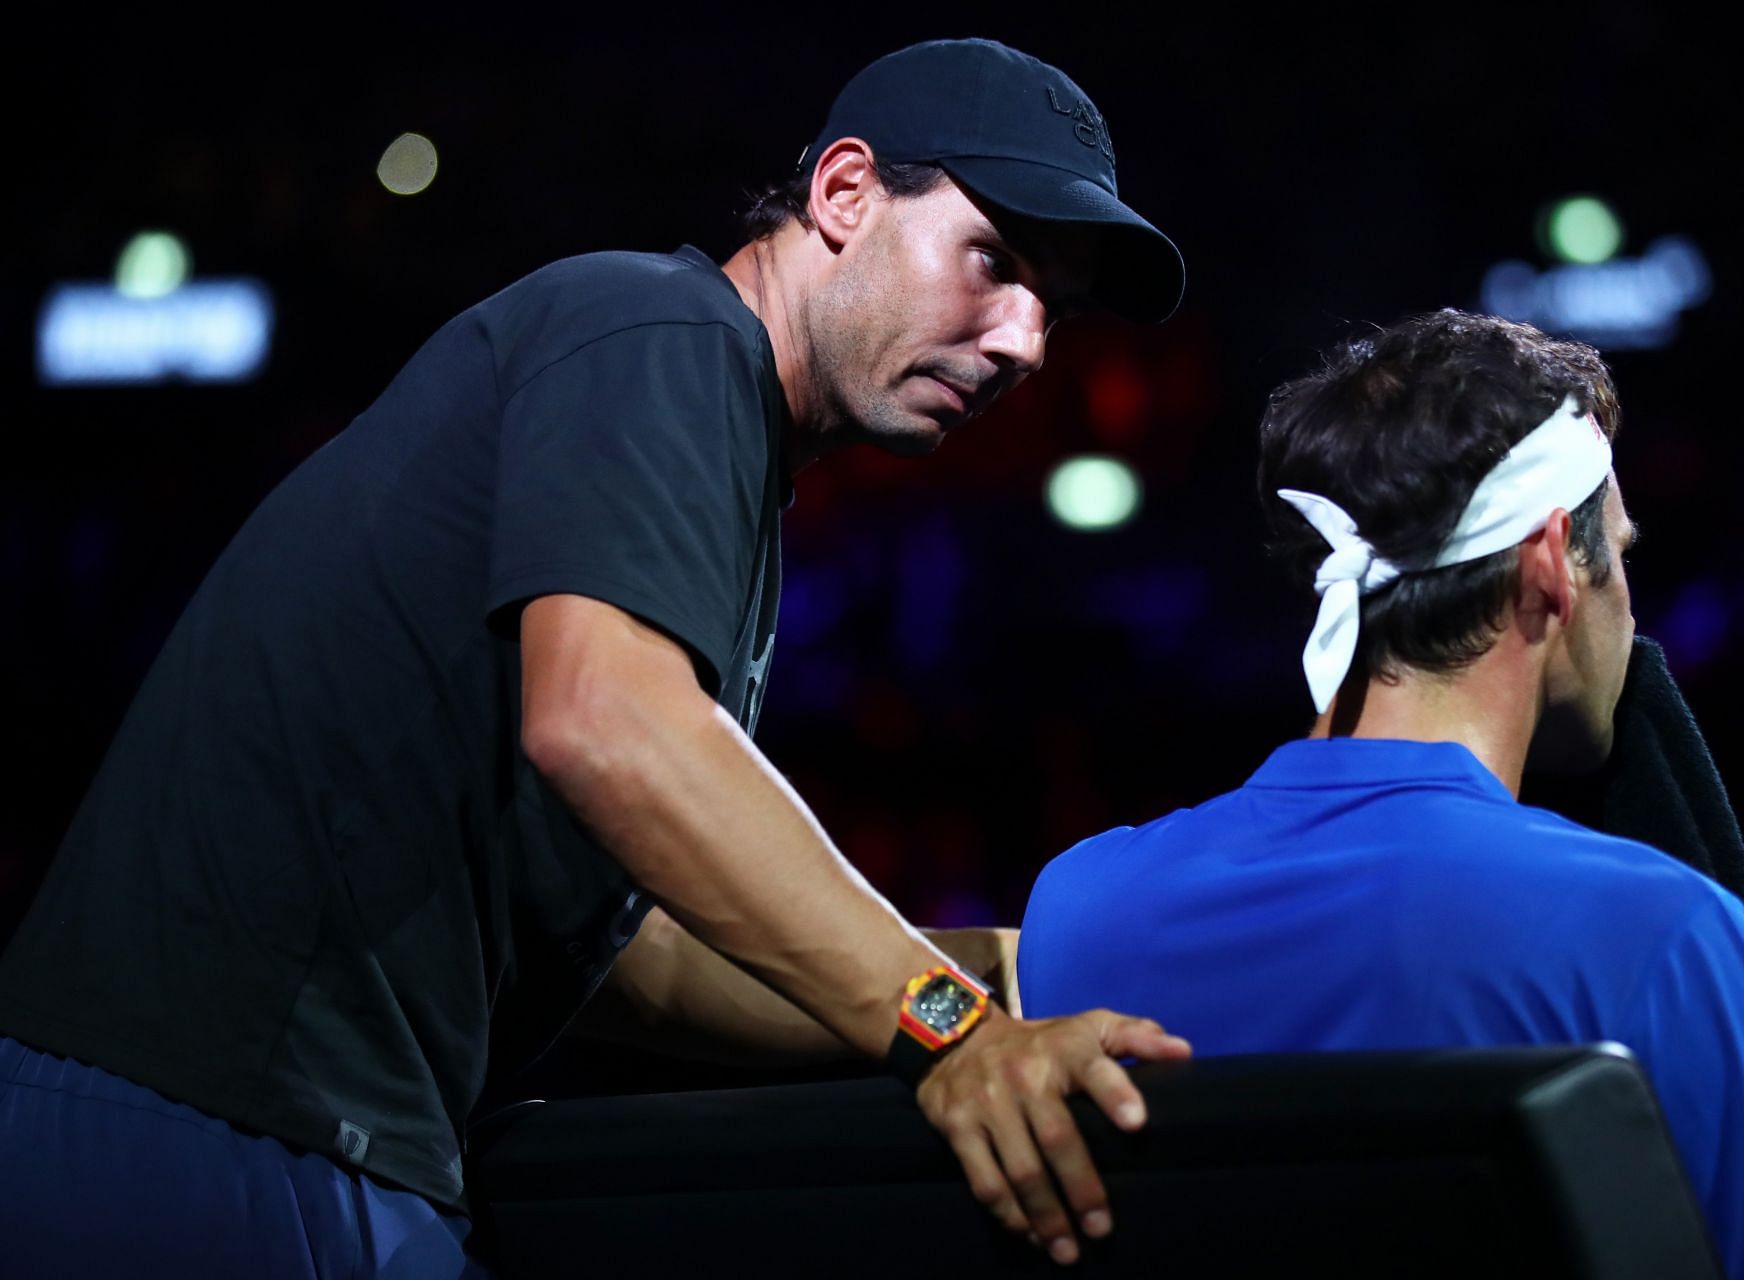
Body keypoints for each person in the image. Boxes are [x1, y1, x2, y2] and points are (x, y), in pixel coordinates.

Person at [0, 38, 1192, 1275]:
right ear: (843, 194)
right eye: (994, 261)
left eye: (1053, 303)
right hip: (209, 1128)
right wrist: (948, 1032)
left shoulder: (712, 443)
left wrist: (986, 975)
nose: (1026, 343)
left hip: (257, 1128)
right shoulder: (659, 331)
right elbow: (603, 724)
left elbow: (634, 958)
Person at [1016, 311, 1744, 1278]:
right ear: (1553, 562)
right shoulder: (1661, 930)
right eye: (1623, 554)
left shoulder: (1076, 906)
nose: (1628, 605)